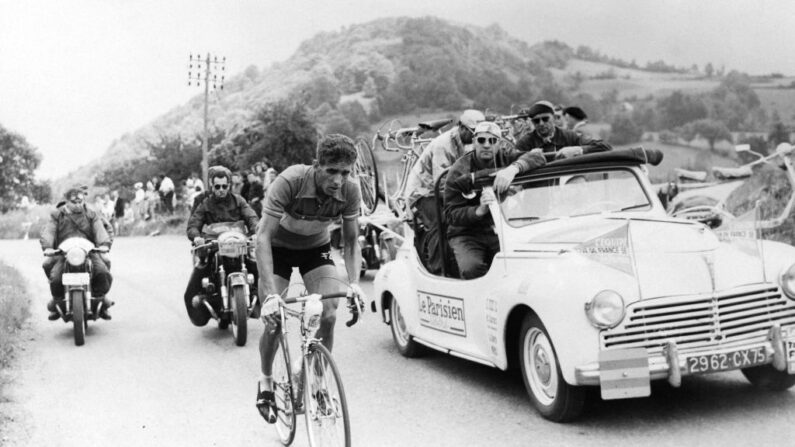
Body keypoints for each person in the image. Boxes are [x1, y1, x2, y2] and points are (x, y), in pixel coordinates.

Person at [254, 134, 365, 423]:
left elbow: (352, 243)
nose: (338, 180)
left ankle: (316, 384)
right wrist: (269, 296)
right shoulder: (291, 180)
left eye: (345, 172)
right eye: (331, 171)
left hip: (315, 249)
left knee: (329, 315)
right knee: (274, 319)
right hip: (277, 248)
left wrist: (353, 284)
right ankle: (265, 382)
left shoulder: (350, 191)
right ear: (317, 166)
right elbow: (263, 236)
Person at [444, 122, 546, 279]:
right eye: (481, 140)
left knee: (523, 263)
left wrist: (513, 169)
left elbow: (538, 155)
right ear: (473, 142)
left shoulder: (506, 158)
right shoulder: (458, 171)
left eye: (492, 141)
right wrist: (478, 210)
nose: (486, 145)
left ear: (499, 144)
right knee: (471, 269)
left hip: (503, 228)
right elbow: (451, 215)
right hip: (467, 232)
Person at [402, 110, 485, 273]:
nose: (475, 137)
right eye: (472, 132)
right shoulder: (443, 145)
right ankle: (438, 270)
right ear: (461, 127)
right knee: (440, 221)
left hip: (446, 188)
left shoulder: (469, 142)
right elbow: (441, 184)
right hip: (424, 191)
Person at [184, 166, 260, 327]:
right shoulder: (205, 203)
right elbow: (193, 223)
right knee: (201, 269)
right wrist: (197, 237)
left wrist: (255, 231)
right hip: (215, 246)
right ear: (212, 186)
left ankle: (260, 297)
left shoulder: (239, 200)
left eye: (224, 186)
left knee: (256, 267)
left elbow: (251, 216)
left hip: (237, 243)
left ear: (229, 185)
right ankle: (199, 302)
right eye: (217, 186)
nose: (221, 190)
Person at [40, 186, 114, 320]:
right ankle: (57, 300)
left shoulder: (92, 214)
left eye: (80, 201)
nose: (78, 205)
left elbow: (100, 230)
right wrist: (48, 247)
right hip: (63, 254)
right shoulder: (57, 215)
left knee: (102, 271)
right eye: (74, 202)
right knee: (55, 276)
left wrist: (104, 244)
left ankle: (100, 299)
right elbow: (49, 231)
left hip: (88, 252)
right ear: (67, 201)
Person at [515, 101, 612, 159]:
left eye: (545, 119)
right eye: (536, 121)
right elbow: (510, 159)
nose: (541, 124)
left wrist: (577, 150)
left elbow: (605, 147)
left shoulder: (569, 136)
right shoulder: (525, 142)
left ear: (554, 118)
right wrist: (526, 156)